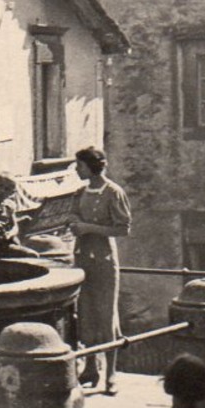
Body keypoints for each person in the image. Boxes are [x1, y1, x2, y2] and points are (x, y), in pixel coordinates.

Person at [69, 146, 131, 394]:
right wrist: (74, 224)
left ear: (91, 167)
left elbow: (123, 228)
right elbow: (73, 216)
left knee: (106, 316)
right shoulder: (79, 192)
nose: (76, 170)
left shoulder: (114, 193)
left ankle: (111, 374)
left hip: (104, 261)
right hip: (83, 259)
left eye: (80, 166)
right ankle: (91, 369)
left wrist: (89, 228)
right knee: (86, 314)